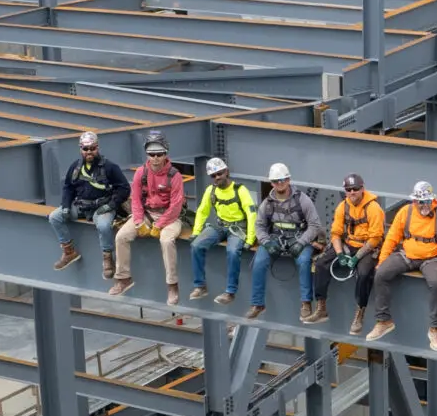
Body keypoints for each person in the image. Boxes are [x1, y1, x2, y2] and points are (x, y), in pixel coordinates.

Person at [368, 181, 437, 347]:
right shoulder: (406, 212)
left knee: (436, 282)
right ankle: (383, 321)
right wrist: (382, 260)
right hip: (408, 255)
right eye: (420, 202)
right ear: (414, 201)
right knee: (381, 274)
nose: (423, 205)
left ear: (432, 201)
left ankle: (434, 328)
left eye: (426, 201)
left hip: (431, 258)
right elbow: (392, 237)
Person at [110, 136, 186, 306]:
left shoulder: (174, 176)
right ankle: (123, 278)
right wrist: (138, 222)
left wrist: (159, 225)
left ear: (165, 154)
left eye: (159, 154)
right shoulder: (141, 173)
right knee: (121, 236)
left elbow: (175, 206)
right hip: (146, 214)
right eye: (152, 154)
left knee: (166, 241)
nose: (155, 158)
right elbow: (135, 199)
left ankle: (172, 285)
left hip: (169, 217)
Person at [249, 163, 321, 323]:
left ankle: (306, 302)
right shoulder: (267, 203)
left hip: (298, 237)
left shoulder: (302, 200)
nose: (279, 184)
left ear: (288, 180)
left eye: (282, 180)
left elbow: (315, 225)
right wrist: (267, 243)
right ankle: (257, 304)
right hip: (275, 237)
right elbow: (259, 226)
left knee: (304, 262)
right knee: (259, 262)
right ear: (271, 183)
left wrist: (301, 243)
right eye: (275, 181)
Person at [49, 131, 129, 273]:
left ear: (97, 148)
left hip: (102, 207)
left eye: (92, 148)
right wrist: (66, 206)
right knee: (54, 217)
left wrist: (111, 205)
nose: (89, 152)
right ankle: (69, 251)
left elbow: (124, 188)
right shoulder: (76, 167)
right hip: (81, 206)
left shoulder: (110, 167)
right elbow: (68, 187)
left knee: (104, 226)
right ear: (81, 149)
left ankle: (107, 258)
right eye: (85, 149)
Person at [319, 173, 388, 333]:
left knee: (364, 273)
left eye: (355, 189)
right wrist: (339, 253)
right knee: (321, 264)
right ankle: (321, 305)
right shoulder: (343, 207)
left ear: (362, 189)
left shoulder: (373, 208)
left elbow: (376, 238)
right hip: (348, 244)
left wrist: (357, 257)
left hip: (367, 247)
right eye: (348, 189)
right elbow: (335, 233)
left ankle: (360, 310)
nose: (352, 192)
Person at [185, 157, 258, 304]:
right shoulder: (211, 191)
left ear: (226, 172)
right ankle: (200, 286)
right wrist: (196, 232)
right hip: (220, 226)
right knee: (196, 245)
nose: (217, 177)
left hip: (238, 228)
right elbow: (202, 211)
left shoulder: (240, 190)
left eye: (220, 173)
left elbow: (252, 214)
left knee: (232, 251)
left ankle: (230, 292)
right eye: (213, 175)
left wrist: (250, 239)